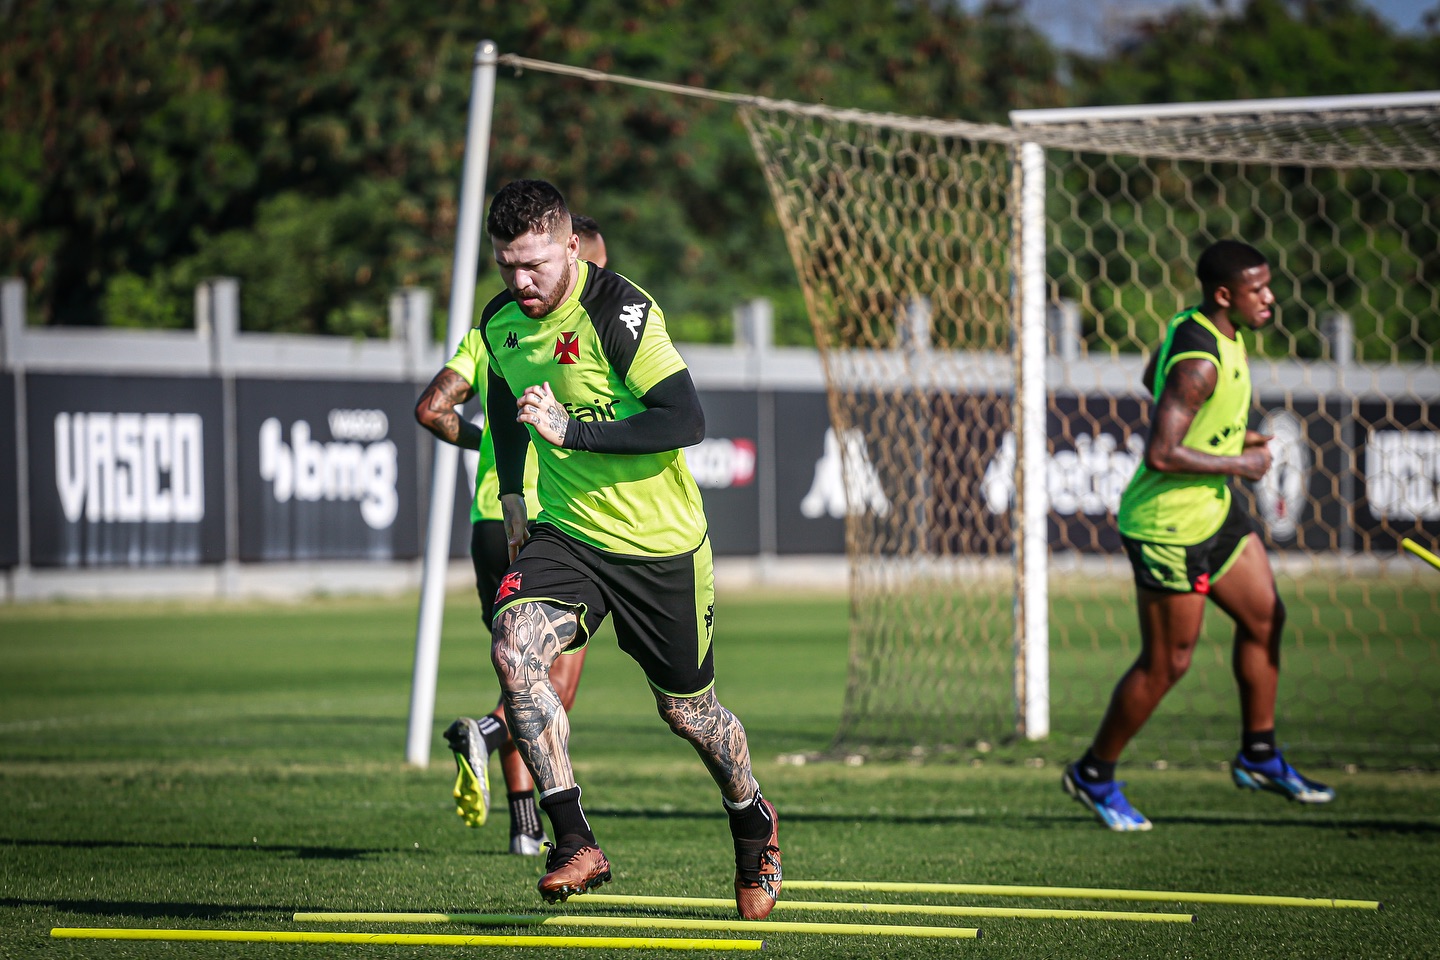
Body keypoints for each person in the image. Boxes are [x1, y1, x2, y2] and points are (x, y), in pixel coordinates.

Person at [477, 178, 781, 917]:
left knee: (689, 714)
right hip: (571, 534)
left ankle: (752, 819)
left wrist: (573, 432)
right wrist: (514, 497)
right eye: (508, 266)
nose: (521, 282)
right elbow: (507, 398)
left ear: (571, 247)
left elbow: (685, 419)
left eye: (535, 265)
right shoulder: (501, 323)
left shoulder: (621, 312)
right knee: (514, 647)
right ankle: (573, 839)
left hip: (661, 546)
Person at [1063, 239, 1335, 831]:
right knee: (1169, 664)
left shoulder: (1202, 330)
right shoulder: (1200, 362)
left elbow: (1151, 377)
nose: (1270, 298)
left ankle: (1258, 755)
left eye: (1268, 285)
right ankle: (1093, 773)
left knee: (1265, 617)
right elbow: (1161, 453)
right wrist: (1240, 462)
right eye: (1258, 290)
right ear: (1225, 295)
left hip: (1212, 510)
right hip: (1168, 527)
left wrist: (1225, 439)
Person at [415, 218, 611, 856]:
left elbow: (431, 409)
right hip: (550, 521)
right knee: (551, 687)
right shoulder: (582, 333)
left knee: (516, 669)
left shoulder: (488, 333)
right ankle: (485, 731)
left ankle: (525, 828)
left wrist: (488, 442)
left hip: (488, 522)